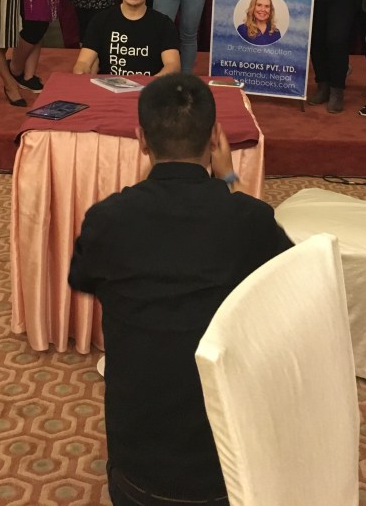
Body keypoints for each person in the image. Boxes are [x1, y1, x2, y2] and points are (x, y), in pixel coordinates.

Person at [68, 73, 292, 506]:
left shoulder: (107, 219)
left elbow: (83, 278)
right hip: (227, 473)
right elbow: (286, 287)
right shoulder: (249, 221)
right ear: (214, 138)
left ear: (141, 140)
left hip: (137, 474)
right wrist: (229, 179)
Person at [72, 0, 180, 77]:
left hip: (150, 87)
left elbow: (173, 65)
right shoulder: (100, 20)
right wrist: (81, 73)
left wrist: (152, 84)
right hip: (107, 87)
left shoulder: (163, 24)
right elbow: (83, 62)